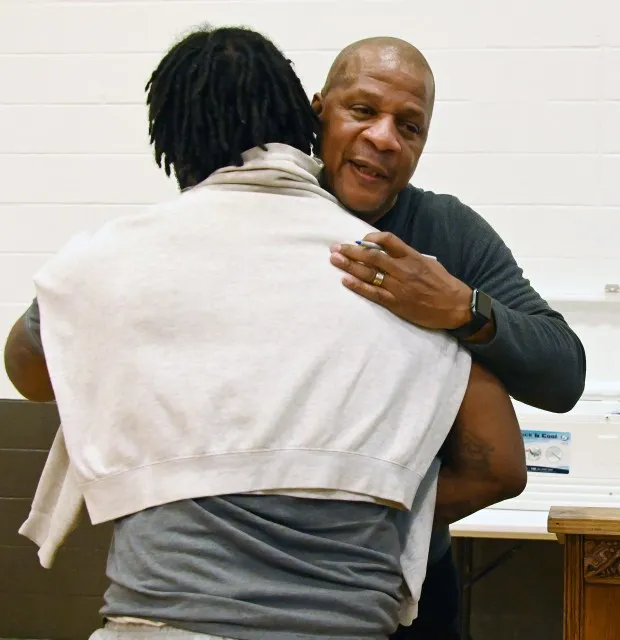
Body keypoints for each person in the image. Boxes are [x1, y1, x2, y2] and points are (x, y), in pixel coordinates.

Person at [4, 26, 526, 640]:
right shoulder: (394, 272)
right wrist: (373, 519)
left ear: (172, 143)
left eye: (406, 125)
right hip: (348, 625)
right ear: (308, 118)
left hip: (161, 622)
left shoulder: (114, 258)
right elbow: (501, 466)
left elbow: (30, 372)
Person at [312, 37, 586, 639]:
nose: (385, 138)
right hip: (257, 575)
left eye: (409, 127)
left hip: (407, 576)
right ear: (318, 111)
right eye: (363, 110)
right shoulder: (262, 214)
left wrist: (459, 307)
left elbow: (564, 372)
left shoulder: (443, 230)